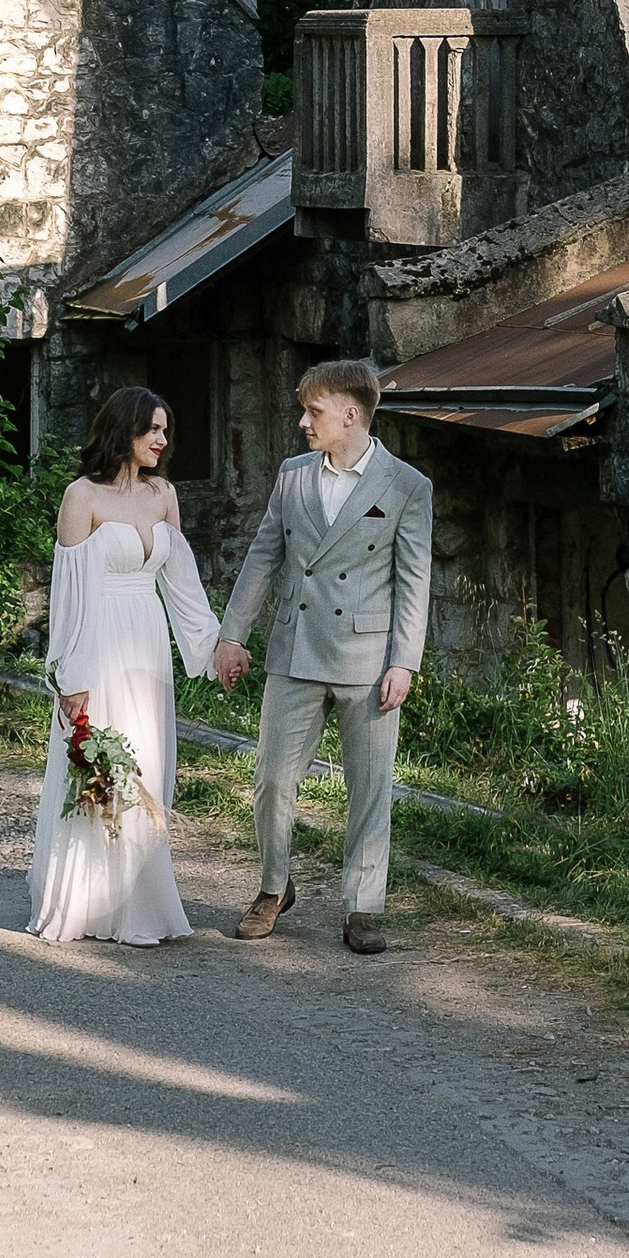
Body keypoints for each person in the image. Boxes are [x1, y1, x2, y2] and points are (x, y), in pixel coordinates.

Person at [210, 358, 431, 950]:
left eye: (314, 411)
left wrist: (404, 661)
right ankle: (273, 887)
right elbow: (262, 557)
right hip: (295, 649)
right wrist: (233, 634)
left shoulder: (408, 486)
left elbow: (414, 581)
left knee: (369, 787)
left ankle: (362, 907)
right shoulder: (293, 475)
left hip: (368, 660)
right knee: (272, 781)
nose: (303, 421)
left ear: (351, 413)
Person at [27, 387, 222, 947]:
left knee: (148, 767)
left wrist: (213, 646)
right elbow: (69, 597)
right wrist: (71, 677)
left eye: (166, 430)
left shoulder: (163, 493)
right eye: (152, 430)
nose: (163, 440)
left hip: (148, 644)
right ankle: (88, 903)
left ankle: (141, 903)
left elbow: (182, 584)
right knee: (102, 767)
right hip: (100, 642)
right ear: (124, 432)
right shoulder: (80, 495)